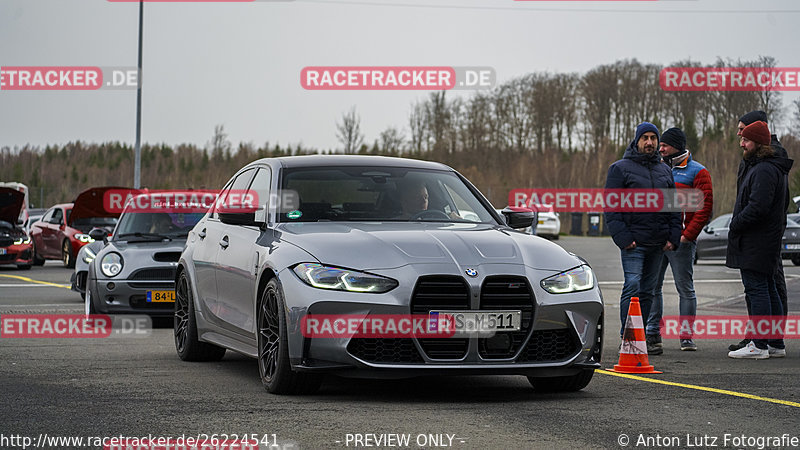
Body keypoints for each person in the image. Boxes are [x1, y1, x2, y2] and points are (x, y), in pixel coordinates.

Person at [604, 122, 682, 353]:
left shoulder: (664, 170)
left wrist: (673, 236)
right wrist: (624, 238)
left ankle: (640, 338)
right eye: (645, 138)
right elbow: (611, 208)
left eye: (653, 138)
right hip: (634, 244)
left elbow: (674, 207)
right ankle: (626, 337)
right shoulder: (619, 169)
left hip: (658, 243)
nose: (649, 142)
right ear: (636, 141)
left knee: (648, 291)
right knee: (633, 285)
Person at [728, 111, 791, 352]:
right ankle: (774, 342)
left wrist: (736, 223)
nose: (741, 143)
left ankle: (759, 344)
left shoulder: (764, 169)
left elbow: (758, 207)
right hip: (764, 240)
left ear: (758, 143)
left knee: (758, 290)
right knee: (768, 288)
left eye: (746, 139)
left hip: (757, 241)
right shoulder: (767, 166)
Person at [646, 128, 713, 352]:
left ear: (677, 146)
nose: (660, 148)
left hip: (682, 242)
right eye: (660, 145)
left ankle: (686, 337)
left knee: (685, 288)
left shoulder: (698, 172)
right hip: (658, 241)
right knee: (653, 287)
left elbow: (704, 209)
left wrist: (687, 236)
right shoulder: (658, 168)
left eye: (664, 145)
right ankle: (652, 331)